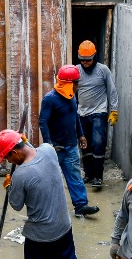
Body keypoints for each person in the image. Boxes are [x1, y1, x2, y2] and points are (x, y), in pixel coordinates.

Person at [0, 129, 88, 259]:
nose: (10, 163)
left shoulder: (21, 175)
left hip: (40, 235)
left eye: (8, 158)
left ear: (15, 152)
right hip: (63, 226)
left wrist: (9, 187)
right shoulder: (48, 150)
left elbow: (16, 204)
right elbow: (36, 152)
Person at [39, 65, 99, 217]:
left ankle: (81, 205)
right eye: (76, 83)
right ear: (67, 83)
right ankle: (47, 209)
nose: (78, 86)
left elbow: (75, 117)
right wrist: (48, 145)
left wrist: (81, 135)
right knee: (51, 179)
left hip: (71, 146)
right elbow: (43, 122)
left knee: (75, 177)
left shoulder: (71, 97)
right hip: (56, 148)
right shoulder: (50, 99)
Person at [75, 41, 117, 191]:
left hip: (99, 112)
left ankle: (98, 177)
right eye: (82, 60)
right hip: (82, 113)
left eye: (88, 60)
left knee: (98, 142)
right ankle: (88, 174)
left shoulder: (103, 70)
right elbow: (70, 92)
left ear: (95, 57)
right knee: (85, 144)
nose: (85, 63)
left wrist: (114, 110)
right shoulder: (76, 71)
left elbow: (112, 90)